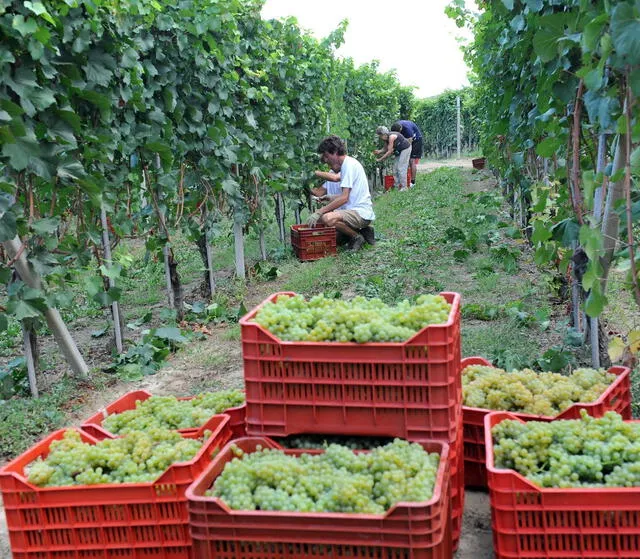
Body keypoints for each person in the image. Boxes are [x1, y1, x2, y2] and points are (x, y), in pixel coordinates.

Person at [308, 135, 375, 252]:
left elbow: (344, 198)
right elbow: (349, 195)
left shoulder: (348, 165)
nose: (325, 160)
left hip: (360, 212)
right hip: (353, 211)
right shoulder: (346, 165)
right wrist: (329, 197)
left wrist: (320, 211)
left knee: (327, 218)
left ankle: (357, 237)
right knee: (334, 235)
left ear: (334, 152)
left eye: (326, 156)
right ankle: (364, 231)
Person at [374, 125, 411, 191]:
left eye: (380, 136)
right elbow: (385, 148)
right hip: (399, 150)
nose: (380, 137)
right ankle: (397, 186)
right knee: (395, 168)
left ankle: (404, 187)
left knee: (401, 167)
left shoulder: (391, 137)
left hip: (405, 149)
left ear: (384, 134)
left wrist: (380, 159)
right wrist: (379, 151)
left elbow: (389, 151)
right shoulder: (386, 139)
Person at [391, 120, 424, 188]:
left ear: (401, 129)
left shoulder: (407, 129)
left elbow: (409, 142)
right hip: (406, 141)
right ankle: (404, 180)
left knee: (411, 160)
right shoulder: (395, 127)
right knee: (404, 160)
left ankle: (412, 182)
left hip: (415, 140)